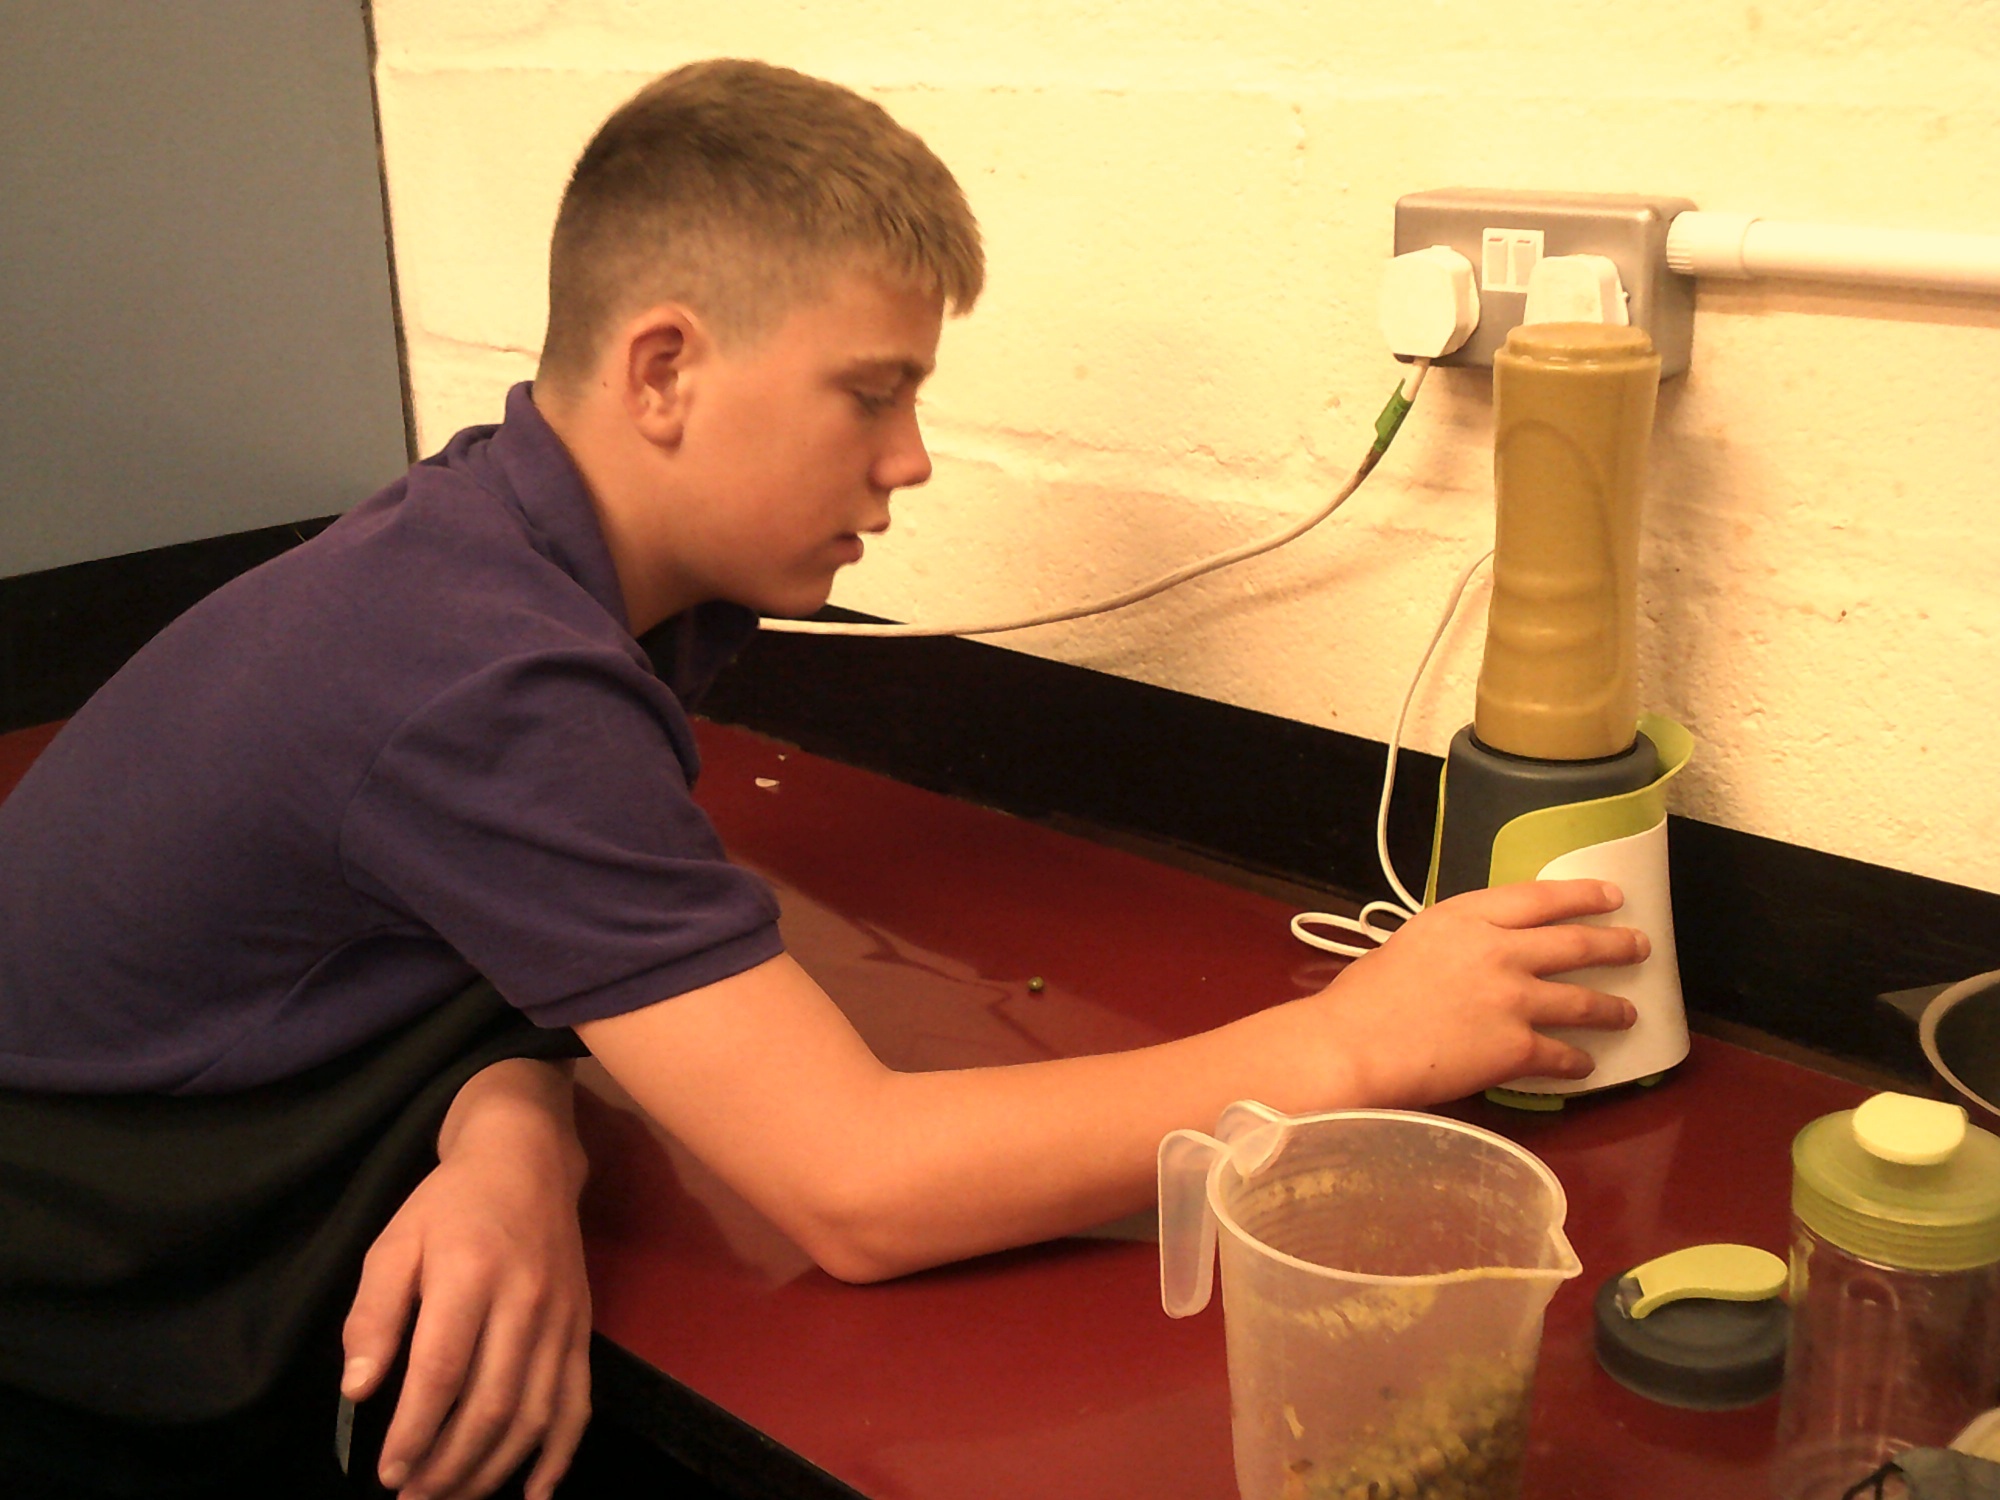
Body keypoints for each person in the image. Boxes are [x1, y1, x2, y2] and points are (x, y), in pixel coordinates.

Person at [0, 59, 1646, 1500]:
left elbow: (449, 931)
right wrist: (1362, 1039)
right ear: (663, 370)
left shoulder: (509, 545)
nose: (910, 457)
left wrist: (507, 1124)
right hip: (84, 1305)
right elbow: (859, 1188)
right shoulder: (490, 674)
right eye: (874, 392)